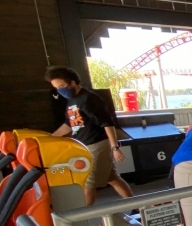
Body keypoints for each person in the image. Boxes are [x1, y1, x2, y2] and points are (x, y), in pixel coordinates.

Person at [46, 66, 133, 206]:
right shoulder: (71, 101)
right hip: (85, 146)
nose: (60, 90)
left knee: (88, 184)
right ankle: (136, 205)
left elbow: (107, 122)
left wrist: (114, 147)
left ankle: (84, 216)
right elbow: (68, 125)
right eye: (57, 88)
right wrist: (49, 137)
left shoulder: (89, 98)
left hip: (97, 144)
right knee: (112, 178)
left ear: (72, 82)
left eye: (62, 86)